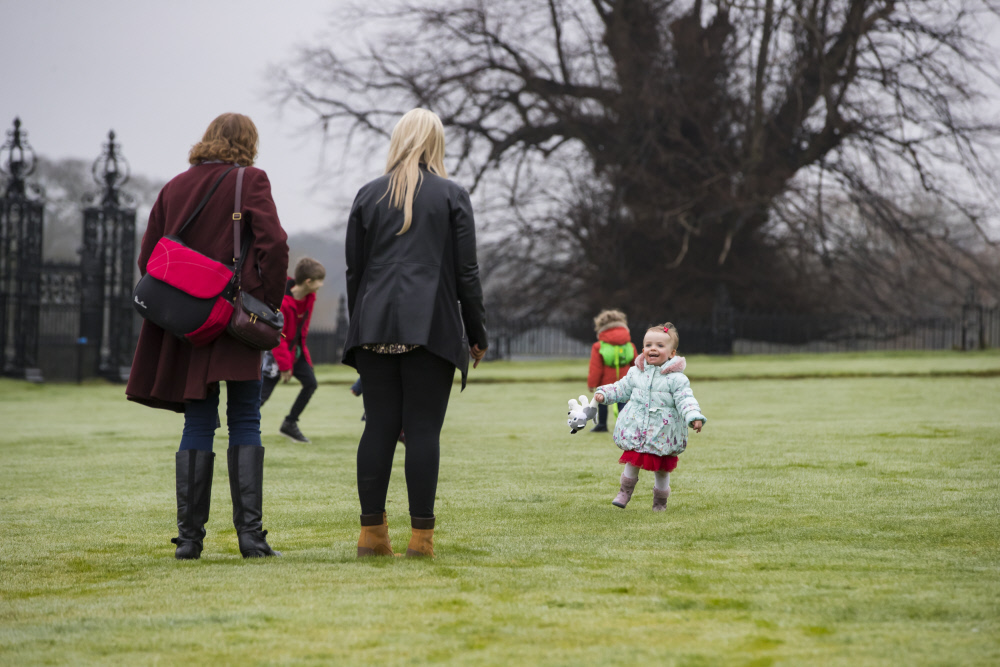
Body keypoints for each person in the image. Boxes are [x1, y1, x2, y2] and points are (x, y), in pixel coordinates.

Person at [126, 112, 289, 559]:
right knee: (246, 418)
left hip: (187, 326)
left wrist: (184, 305)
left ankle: (189, 542)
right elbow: (274, 245)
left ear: (209, 139)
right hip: (236, 321)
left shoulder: (174, 186)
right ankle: (251, 539)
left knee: (197, 421)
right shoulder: (250, 180)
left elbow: (149, 258)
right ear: (248, 143)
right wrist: (266, 304)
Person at [342, 108, 488, 558]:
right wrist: (476, 332)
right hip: (431, 328)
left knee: (379, 429)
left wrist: (361, 323)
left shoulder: (368, 195)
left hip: (374, 327)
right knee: (424, 431)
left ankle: (372, 535)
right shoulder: (451, 195)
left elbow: (355, 272)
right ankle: (421, 540)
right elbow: (467, 272)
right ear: (436, 142)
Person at [594, 323, 706, 511]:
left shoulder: (676, 379)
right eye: (648, 345)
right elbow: (621, 388)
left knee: (662, 470)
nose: (653, 349)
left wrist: (693, 415)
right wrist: (605, 393)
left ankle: (660, 502)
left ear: (672, 353)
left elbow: (685, 399)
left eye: (660, 346)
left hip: (663, 431)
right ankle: (624, 492)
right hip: (637, 427)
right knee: (632, 461)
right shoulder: (636, 372)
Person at [260, 257, 325, 443]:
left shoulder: (310, 297)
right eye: (319, 280)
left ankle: (289, 424)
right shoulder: (281, 300)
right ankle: (241, 424)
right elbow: (277, 337)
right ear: (308, 282)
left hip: (295, 353)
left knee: (311, 383)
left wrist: (304, 357)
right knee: (262, 397)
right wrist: (285, 365)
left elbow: (302, 331)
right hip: (277, 354)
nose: (321, 285)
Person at [586, 309, 637, 432]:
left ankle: (602, 425)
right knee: (624, 403)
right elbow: (636, 364)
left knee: (602, 402)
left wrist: (592, 383)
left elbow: (596, 367)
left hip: (605, 381)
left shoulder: (599, 346)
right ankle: (625, 427)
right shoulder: (629, 344)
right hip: (626, 380)